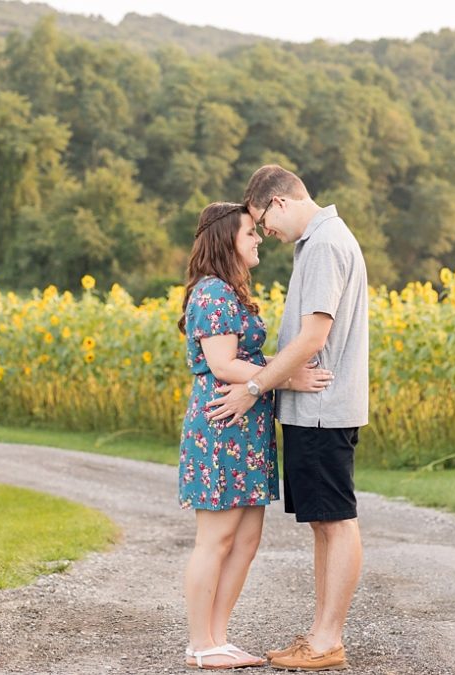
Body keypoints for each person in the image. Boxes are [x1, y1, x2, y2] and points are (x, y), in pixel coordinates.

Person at [207, 166, 369, 672]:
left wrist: (254, 387)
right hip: (313, 412)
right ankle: (321, 634)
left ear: (278, 203)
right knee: (323, 522)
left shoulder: (323, 245)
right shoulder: (318, 242)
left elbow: (312, 338)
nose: (265, 234)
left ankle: (327, 640)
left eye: (261, 221)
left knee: (336, 521)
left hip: (323, 412)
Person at [177, 201, 335, 670]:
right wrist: (289, 376)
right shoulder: (211, 294)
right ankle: (200, 643)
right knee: (217, 538)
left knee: (246, 539)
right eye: (250, 232)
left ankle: (219, 637)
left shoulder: (232, 292)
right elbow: (224, 364)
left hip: (248, 425)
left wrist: (274, 378)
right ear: (227, 240)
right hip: (221, 426)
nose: (258, 238)